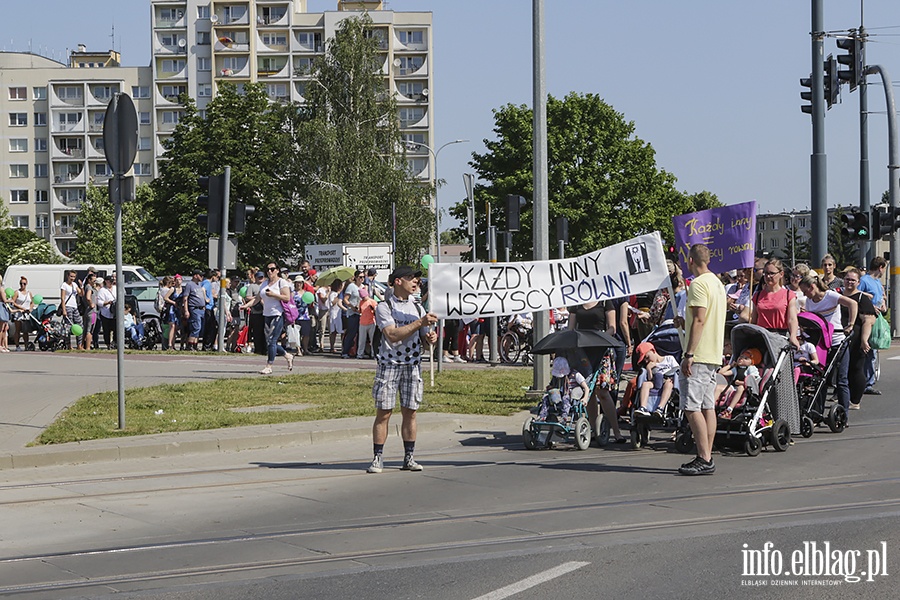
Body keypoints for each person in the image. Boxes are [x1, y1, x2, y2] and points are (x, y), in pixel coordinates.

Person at [367, 266, 438, 474]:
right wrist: (420, 324)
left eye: (417, 278)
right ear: (397, 281)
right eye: (410, 278)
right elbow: (393, 335)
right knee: (384, 412)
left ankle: (409, 457)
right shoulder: (384, 307)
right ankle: (377, 457)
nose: (415, 281)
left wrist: (430, 338)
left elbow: (425, 341)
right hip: (389, 365)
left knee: (411, 412)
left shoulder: (418, 308)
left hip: (413, 365)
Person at [678, 243, 726, 476]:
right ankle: (707, 453)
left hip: (700, 354)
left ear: (690, 261)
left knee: (691, 407)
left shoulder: (697, 284)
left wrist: (689, 354)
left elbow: (699, 319)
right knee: (708, 406)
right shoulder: (717, 283)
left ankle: (704, 457)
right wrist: (683, 324)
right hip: (713, 352)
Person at [799, 272, 857, 419]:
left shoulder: (830, 295)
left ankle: (844, 414)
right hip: (822, 344)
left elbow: (852, 303)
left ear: (812, 287)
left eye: (805, 291)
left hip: (838, 340)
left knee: (841, 380)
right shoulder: (809, 301)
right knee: (821, 378)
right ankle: (817, 414)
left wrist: (850, 324)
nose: (805, 294)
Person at [568, 299, 626, 444]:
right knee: (589, 390)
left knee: (603, 392)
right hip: (583, 350)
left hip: (601, 348)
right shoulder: (575, 302)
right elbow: (571, 328)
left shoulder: (605, 302)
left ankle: (616, 431)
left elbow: (612, 328)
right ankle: (593, 429)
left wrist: (598, 338)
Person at [240, 261, 294, 374]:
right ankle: (287, 355)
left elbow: (287, 297)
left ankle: (269, 366)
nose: (270, 271)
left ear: (277, 270)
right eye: (268, 269)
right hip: (267, 314)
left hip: (278, 314)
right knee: (270, 342)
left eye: (272, 269)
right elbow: (257, 298)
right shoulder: (265, 284)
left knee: (272, 340)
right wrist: (246, 306)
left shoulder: (282, 282)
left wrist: (274, 295)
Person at [841, 267, 876, 410]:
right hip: (839, 336)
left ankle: (855, 400)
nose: (849, 282)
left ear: (858, 282)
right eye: (847, 279)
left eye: (853, 280)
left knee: (856, 368)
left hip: (856, 338)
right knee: (843, 370)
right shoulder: (838, 295)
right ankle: (844, 396)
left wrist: (864, 340)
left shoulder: (862, 298)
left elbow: (869, 321)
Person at [750, 258, 800, 348]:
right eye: (766, 273)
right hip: (762, 337)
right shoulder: (757, 296)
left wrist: (793, 336)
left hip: (780, 338)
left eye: (771, 273)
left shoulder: (788, 295)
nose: (768, 276)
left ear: (781, 274)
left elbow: (792, 319)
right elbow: (754, 320)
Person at [858, 256, 887, 395]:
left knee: (873, 351)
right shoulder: (864, 280)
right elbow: (857, 295)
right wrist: (869, 305)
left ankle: (868, 381)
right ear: (880, 267)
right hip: (866, 319)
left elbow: (881, 299)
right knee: (867, 350)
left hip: (876, 318)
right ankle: (864, 382)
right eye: (883, 268)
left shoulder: (877, 282)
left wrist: (883, 305)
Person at [537, 356, 591, 423]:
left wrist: (585, 398)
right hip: (559, 396)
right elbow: (552, 386)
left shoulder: (575, 375)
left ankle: (564, 417)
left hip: (572, 397)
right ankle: (542, 416)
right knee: (546, 398)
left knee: (565, 398)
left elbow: (586, 388)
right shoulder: (556, 378)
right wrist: (550, 388)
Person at [632, 341, 678, 419]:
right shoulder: (649, 365)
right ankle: (643, 407)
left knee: (669, 383)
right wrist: (649, 369)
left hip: (667, 381)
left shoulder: (669, 359)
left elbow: (677, 370)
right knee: (645, 384)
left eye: (647, 357)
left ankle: (660, 408)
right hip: (655, 382)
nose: (646, 361)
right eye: (644, 360)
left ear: (653, 351)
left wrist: (668, 376)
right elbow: (650, 378)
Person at [716, 347, 761, 419]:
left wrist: (740, 383)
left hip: (746, 388)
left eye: (745, 358)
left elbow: (753, 381)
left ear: (752, 362)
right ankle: (710, 408)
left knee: (740, 388)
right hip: (733, 387)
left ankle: (729, 410)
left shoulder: (751, 368)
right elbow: (721, 372)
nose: (741, 359)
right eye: (740, 357)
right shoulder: (736, 369)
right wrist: (730, 365)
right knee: (718, 387)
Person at [60, 270, 84, 350]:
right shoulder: (64, 285)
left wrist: (81, 287)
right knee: (68, 327)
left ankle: (79, 345)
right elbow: (63, 298)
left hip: (75, 306)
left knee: (79, 325)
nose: (72, 278)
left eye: (74, 277)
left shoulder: (74, 284)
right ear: (68, 276)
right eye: (71, 276)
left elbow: (81, 294)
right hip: (67, 306)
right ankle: (68, 345)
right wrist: (64, 310)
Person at [341, 271, 363, 358]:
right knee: (351, 333)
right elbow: (345, 299)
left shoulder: (362, 287)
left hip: (361, 313)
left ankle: (356, 352)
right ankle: (345, 352)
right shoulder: (351, 286)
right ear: (356, 277)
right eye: (360, 277)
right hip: (352, 313)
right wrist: (351, 306)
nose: (362, 279)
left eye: (363, 277)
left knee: (360, 334)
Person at [247, 271, 266, 355]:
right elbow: (247, 297)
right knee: (256, 332)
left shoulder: (266, 286)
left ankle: (264, 349)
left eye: (262, 277)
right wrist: (256, 297)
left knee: (265, 332)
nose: (260, 279)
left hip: (265, 312)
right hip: (256, 312)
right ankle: (257, 349)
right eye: (259, 277)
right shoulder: (252, 286)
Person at [96, 276, 116, 349]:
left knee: (116, 329)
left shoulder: (116, 288)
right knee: (106, 330)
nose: (111, 283)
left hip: (115, 313)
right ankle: (107, 344)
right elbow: (99, 302)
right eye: (110, 281)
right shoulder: (102, 290)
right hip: (106, 313)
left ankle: (115, 343)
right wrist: (107, 302)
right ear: (106, 281)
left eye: (112, 281)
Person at [357, 287, 377, 359]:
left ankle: (373, 354)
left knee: (373, 340)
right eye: (362, 297)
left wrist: (374, 310)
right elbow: (360, 311)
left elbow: (376, 311)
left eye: (364, 297)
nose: (363, 298)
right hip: (362, 323)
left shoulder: (372, 302)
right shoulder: (361, 302)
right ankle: (360, 354)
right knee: (361, 340)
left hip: (371, 322)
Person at [327, 279, 344, 353]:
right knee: (333, 332)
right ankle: (332, 347)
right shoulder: (333, 293)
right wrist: (338, 296)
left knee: (341, 332)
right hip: (333, 314)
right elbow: (333, 302)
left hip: (339, 314)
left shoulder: (339, 293)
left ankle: (343, 347)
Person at [0, 276, 10, 353]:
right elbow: (4, 300)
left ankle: (2, 345)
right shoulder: (1, 289)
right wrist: (11, 300)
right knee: (2, 328)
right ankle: (0, 345)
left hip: (2, 307)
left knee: (4, 328)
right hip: (1, 307)